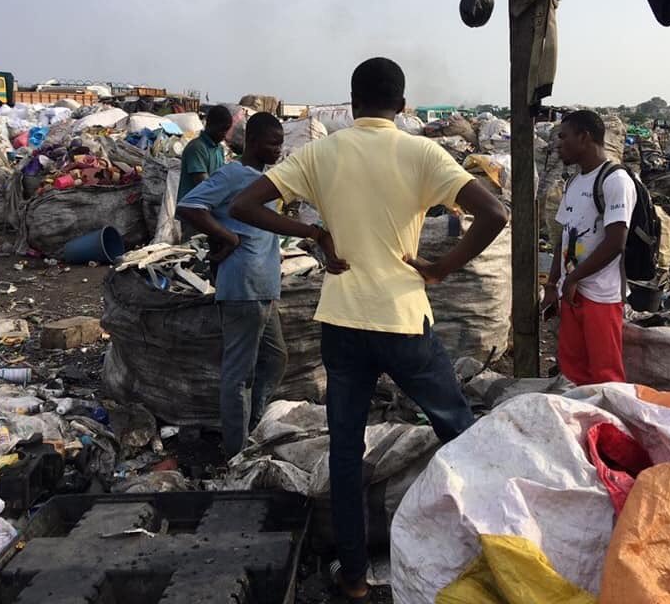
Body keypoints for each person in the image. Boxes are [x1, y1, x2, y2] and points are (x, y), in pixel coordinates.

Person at [231, 57, 508, 602]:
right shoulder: (423, 152)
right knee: (461, 434)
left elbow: (245, 204)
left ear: (352, 102)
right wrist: (440, 268)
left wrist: (313, 232)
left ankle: (354, 580)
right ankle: (494, 556)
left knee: (345, 453)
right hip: (404, 319)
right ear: (402, 106)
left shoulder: (321, 151)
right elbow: (494, 213)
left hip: (342, 321)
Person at [176, 113, 288, 459]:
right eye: (272, 142)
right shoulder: (234, 174)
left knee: (276, 358)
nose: (279, 149)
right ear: (252, 142)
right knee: (240, 374)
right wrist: (227, 236)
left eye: (281, 142)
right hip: (244, 286)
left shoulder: (260, 178)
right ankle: (237, 452)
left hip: (263, 287)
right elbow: (189, 205)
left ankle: (251, 425)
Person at [541, 110, 637, 386]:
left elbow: (615, 241)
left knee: (606, 375)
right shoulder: (572, 182)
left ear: (584, 138)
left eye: (563, 136)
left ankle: (610, 426)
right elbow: (564, 237)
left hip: (601, 296)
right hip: (571, 293)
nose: (558, 143)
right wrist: (552, 285)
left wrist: (573, 277)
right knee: (574, 372)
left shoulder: (614, 180)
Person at [176, 104, 232, 238]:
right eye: (221, 130)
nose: (224, 135)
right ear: (210, 124)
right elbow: (203, 184)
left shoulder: (218, 148)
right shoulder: (196, 148)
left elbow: (220, 176)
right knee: (194, 249)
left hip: (210, 211)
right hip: (194, 212)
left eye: (226, 130)